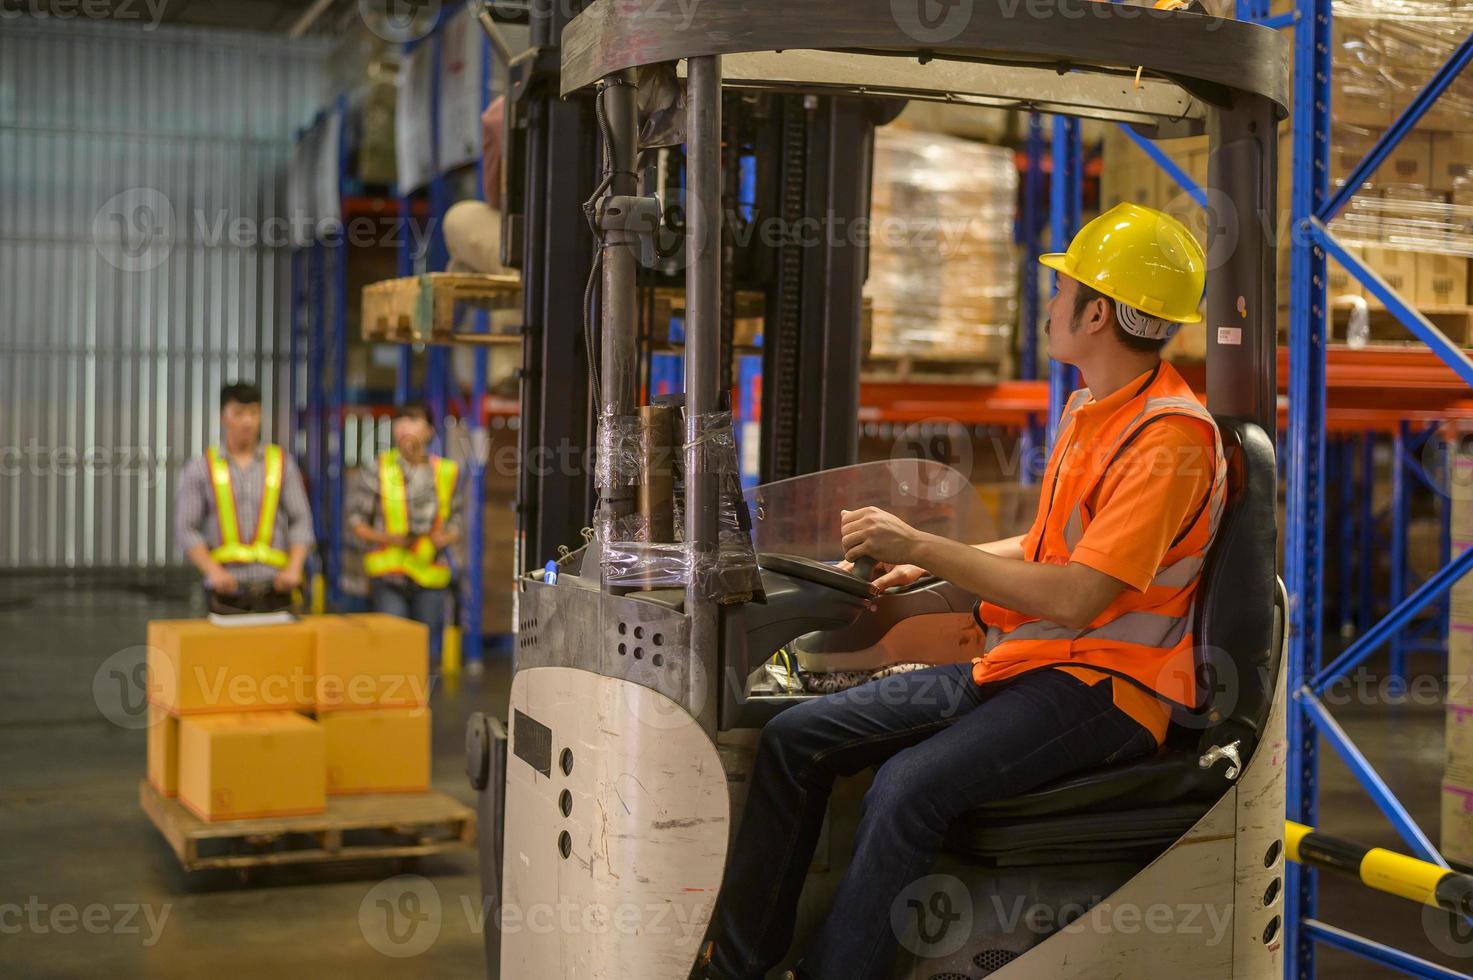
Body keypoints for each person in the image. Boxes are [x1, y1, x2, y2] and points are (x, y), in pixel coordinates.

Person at [696, 203, 1227, 980]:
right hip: (1028, 662)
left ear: (1098, 314)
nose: (1048, 304)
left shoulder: (1169, 438)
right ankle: (735, 968)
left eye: (1062, 290)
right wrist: (941, 566)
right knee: (794, 737)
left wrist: (921, 543)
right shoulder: (1094, 411)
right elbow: (1054, 543)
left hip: (1109, 689)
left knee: (906, 790)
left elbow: (1079, 595)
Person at [176, 382, 313, 615]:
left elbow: (301, 520)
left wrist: (294, 567)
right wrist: (213, 571)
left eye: (253, 413)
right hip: (226, 593)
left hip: (277, 589)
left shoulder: (282, 463)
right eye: (238, 413)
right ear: (223, 417)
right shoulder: (201, 468)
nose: (247, 421)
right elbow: (186, 527)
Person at [349, 403, 461, 649]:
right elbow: (356, 520)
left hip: (430, 574)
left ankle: (424, 689)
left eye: (412, 419)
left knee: (426, 651)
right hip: (390, 576)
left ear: (429, 430)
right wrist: (388, 538)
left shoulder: (446, 471)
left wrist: (448, 536)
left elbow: (458, 518)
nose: (403, 426)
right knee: (393, 648)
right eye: (399, 420)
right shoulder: (377, 468)